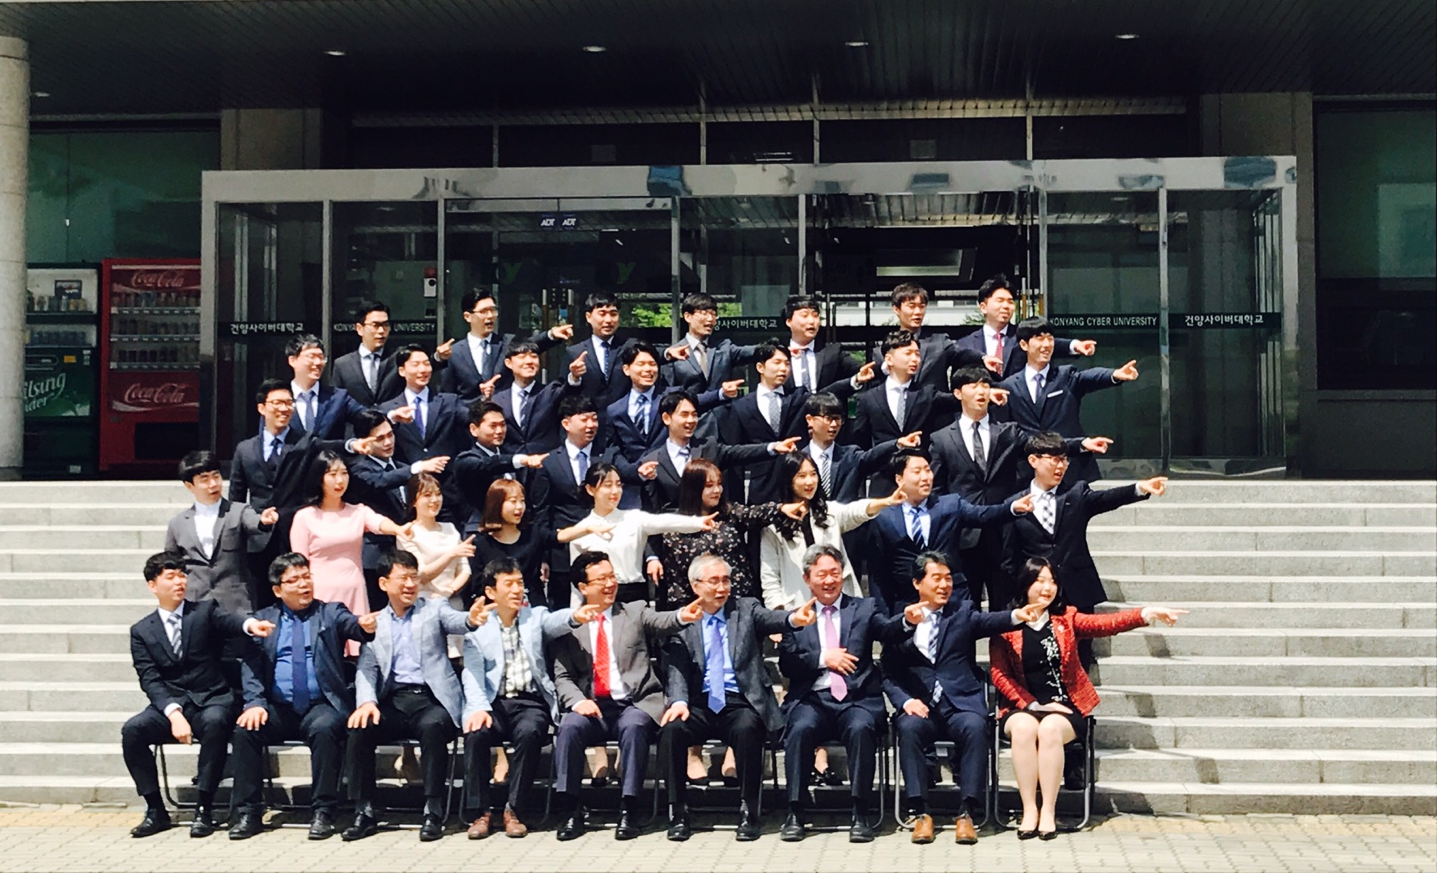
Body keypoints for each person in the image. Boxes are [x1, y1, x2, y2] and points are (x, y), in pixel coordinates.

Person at [991, 558, 1185, 839]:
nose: (1047, 588)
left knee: (1049, 729)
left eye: (1052, 581)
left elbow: (1106, 624)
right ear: (1025, 585)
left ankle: (1048, 811)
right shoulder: (1006, 623)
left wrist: (1146, 613)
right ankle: (1029, 809)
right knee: (1024, 728)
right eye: (1040, 581)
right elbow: (999, 675)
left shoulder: (1066, 619)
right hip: (1022, 706)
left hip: (1065, 708)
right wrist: (1032, 704)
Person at [882, 551, 1040, 845]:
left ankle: (967, 813)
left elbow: (990, 621)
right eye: (936, 578)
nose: (944, 585)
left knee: (976, 727)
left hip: (960, 703)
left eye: (948, 579)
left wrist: (1018, 615)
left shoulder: (962, 611)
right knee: (908, 727)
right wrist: (905, 701)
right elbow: (888, 673)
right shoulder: (901, 620)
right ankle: (920, 813)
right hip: (921, 706)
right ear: (917, 583)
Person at [658, 554, 818, 842]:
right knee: (672, 730)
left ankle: (749, 810)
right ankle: (678, 811)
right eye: (714, 581)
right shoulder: (684, 619)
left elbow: (772, 618)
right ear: (696, 586)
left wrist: (794, 619)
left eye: (726, 580)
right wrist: (679, 701)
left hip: (740, 699)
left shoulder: (745, 608)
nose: (722, 587)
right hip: (699, 703)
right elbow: (677, 667)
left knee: (746, 728)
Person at [549, 552, 702, 841]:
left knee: (634, 727)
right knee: (569, 727)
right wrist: (578, 701)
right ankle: (570, 809)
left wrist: (683, 615)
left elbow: (663, 620)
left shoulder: (634, 611)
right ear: (583, 587)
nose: (610, 584)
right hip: (593, 705)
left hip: (634, 702)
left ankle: (629, 809)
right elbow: (563, 676)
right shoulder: (570, 625)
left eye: (612, 576)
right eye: (601, 579)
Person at [121, 552, 274, 839]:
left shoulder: (203, 611)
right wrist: (173, 713)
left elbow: (229, 621)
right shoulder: (141, 631)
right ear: (152, 585)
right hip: (172, 704)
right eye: (171, 577)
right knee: (133, 731)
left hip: (211, 698)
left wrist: (249, 625)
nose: (179, 582)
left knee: (216, 722)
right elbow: (150, 679)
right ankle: (155, 809)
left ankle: (204, 807)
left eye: (182, 575)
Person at [929, 368, 1111, 606]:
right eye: (973, 386)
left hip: (1004, 531)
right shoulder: (941, 438)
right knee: (964, 608)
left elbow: (1041, 446)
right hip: (963, 535)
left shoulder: (1008, 431)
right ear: (957, 393)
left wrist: (1081, 444)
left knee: (1005, 607)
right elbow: (936, 490)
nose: (981, 391)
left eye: (985, 385)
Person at [343, 549, 488, 842]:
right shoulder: (375, 622)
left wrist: (471, 620)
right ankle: (365, 810)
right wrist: (367, 702)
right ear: (384, 583)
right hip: (393, 700)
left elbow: (457, 621)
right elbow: (366, 668)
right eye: (403, 578)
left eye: (414, 577)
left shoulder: (433, 609)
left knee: (433, 727)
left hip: (432, 699)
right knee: (360, 728)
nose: (410, 584)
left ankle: (433, 809)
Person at [228, 553, 375, 841]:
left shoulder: (330, 612)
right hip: (278, 707)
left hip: (321, 704)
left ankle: (323, 812)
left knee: (325, 728)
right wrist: (255, 703)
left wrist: (364, 626)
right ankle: (249, 812)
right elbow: (251, 666)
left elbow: (352, 625)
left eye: (307, 577)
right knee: (245, 730)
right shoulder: (264, 620)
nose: (303, 584)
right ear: (277, 590)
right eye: (294, 580)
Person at [776, 545, 912, 844]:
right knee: (799, 729)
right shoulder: (796, 617)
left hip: (856, 699)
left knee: (861, 728)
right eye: (821, 574)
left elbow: (888, 631)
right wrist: (823, 658)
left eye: (835, 573)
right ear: (807, 578)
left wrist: (907, 621)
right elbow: (787, 664)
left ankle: (860, 813)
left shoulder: (864, 608)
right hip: (812, 698)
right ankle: (795, 812)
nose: (829, 580)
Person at [459, 557, 600, 839]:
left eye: (520, 583)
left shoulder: (534, 617)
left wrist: (575, 616)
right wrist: (477, 708)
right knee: (476, 734)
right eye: (508, 584)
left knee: (531, 731)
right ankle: (480, 812)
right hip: (492, 703)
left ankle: (514, 810)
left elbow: (555, 621)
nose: (516, 590)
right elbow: (471, 673)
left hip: (529, 702)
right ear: (490, 592)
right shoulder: (478, 629)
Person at [1002, 431, 1169, 663]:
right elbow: (1009, 558)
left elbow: (1106, 498)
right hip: (1038, 593)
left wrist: (1139, 488)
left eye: (1064, 460)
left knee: (1080, 655)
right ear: (1033, 460)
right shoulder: (1015, 503)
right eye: (1054, 460)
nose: (1061, 466)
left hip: (1077, 588)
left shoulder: (1076, 492)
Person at [866, 448, 1032, 616]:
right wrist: (883, 618)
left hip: (952, 601)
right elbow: (878, 572)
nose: (925, 477)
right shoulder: (883, 517)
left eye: (928, 470)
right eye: (917, 472)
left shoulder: (949, 505)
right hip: (908, 603)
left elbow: (981, 515)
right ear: (899, 479)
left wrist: (1011, 508)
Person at [289, 450, 412, 651]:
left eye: (344, 473)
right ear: (319, 478)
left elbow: (378, 522)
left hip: (354, 591)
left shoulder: (357, 511)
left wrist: (398, 529)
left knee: (358, 651)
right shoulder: (305, 517)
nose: (340, 480)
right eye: (332, 474)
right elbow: (299, 563)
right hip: (321, 594)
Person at [720, 340, 870, 504]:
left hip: (798, 490)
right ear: (760, 367)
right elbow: (736, 456)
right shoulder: (741, 406)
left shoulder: (798, 397)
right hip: (761, 492)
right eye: (777, 363)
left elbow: (824, 395)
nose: (783, 368)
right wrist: (735, 504)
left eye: (787, 364)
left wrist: (854, 381)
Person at [996, 317, 1139, 485]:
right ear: (1024, 345)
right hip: (1028, 474)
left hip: (1070, 469)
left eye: (1050, 338)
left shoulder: (1065, 376)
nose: (1046, 344)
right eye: (1039, 338)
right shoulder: (1009, 387)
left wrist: (1114, 375)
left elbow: (1088, 377)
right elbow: (1009, 433)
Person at [758, 452, 905, 611]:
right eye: (802, 476)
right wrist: (779, 617)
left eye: (813, 474)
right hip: (799, 607)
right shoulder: (773, 526)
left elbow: (854, 511)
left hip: (839, 603)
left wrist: (886, 502)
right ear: (788, 480)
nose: (809, 481)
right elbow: (770, 577)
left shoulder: (828, 511)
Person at [598, 341, 734, 508]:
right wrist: (634, 472)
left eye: (652, 364)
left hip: (667, 490)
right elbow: (613, 451)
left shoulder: (671, 396)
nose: (648, 369)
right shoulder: (615, 410)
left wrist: (721, 393)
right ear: (627, 369)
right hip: (632, 494)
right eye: (641, 364)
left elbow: (696, 401)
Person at [652, 458, 803, 608]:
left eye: (719, 484)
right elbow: (677, 582)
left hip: (739, 601)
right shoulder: (676, 527)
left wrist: (780, 509)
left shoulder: (729, 513)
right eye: (709, 486)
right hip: (700, 608)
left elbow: (754, 513)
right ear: (693, 489)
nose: (717, 490)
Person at [568, 462, 715, 604]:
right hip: (600, 597)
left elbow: (665, 521)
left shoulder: (633, 518)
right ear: (590, 489)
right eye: (607, 485)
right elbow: (577, 583)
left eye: (618, 485)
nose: (615, 491)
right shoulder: (580, 531)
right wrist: (575, 614)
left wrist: (698, 523)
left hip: (635, 595)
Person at [345, 408, 449, 608]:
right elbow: (380, 481)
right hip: (376, 557)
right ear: (364, 442)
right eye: (380, 438)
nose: (388, 442)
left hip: (407, 552)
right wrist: (417, 468)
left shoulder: (401, 466)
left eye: (390, 435)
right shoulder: (358, 468)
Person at [642, 388, 799, 512]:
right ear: (666, 418)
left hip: (714, 529)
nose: (691, 420)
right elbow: (653, 511)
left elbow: (739, 453)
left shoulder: (708, 447)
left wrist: (773, 447)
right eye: (684, 415)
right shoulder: (652, 461)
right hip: (675, 535)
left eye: (694, 415)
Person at [469, 478, 613, 610]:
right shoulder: (481, 544)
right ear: (496, 504)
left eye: (522, 501)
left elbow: (560, 536)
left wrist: (587, 529)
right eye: (513, 501)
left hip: (534, 606)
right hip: (498, 610)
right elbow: (478, 588)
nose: (519, 507)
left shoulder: (533, 533)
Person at [165, 450, 277, 616]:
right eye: (204, 479)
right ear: (189, 486)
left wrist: (263, 521)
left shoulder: (238, 511)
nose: (213, 484)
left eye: (216, 476)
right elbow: (171, 563)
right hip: (195, 606)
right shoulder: (178, 523)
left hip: (235, 604)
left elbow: (253, 521)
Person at [849, 330, 962, 489]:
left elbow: (959, 402)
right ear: (889, 359)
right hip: (882, 483)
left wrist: (985, 393)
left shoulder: (927, 394)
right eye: (908, 353)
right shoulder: (868, 399)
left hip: (919, 482)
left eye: (917, 354)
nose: (915, 359)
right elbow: (859, 448)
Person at [531, 395, 613, 601]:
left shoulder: (606, 457)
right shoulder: (549, 463)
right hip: (563, 554)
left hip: (603, 548)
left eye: (594, 419)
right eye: (584, 419)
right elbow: (542, 512)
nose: (591, 425)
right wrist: (543, 557)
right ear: (566, 424)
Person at [953, 275, 1093, 379]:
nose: (1006, 306)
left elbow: (1047, 344)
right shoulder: (965, 344)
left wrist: (1075, 345)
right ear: (983, 307)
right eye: (1000, 301)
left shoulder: (1022, 335)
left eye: (1010, 301)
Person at [441, 288, 572, 400]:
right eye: (484, 311)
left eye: (493, 310)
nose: (490, 316)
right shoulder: (454, 353)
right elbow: (448, 398)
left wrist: (551, 335)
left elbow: (531, 344)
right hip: (468, 419)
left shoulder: (506, 342)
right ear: (467, 316)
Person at [451, 399, 549, 534]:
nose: (499, 431)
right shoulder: (466, 460)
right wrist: (521, 460)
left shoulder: (510, 457)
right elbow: (488, 465)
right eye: (493, 426)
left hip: (514, 532)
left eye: (502, 425)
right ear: (474, 429)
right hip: (481, 531)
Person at [378, 344, 478, 473]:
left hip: (446, 479)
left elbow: (475, 420)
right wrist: (392, 417)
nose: (423, 370)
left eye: (426, 364)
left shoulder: (449, 401)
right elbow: (371, 423)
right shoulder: (389, 409)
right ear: (402, 371)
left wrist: (485, 400)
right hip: (407, 479)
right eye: (416, 365)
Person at [878, 282, 991, 391]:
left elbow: (962, 353)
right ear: (896, 309)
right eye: (911, 306)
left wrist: (983, 358)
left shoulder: (940, 342)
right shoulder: (882, 351)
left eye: (922, 306)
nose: (918, 312)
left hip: (935, 404)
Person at [489, 339, 586, 455]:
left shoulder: (550, 392)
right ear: (508, 363)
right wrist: (485, 399)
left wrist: (574, 377)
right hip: (512, 462)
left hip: (546, 461)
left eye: (534, 357)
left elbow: (568, 392)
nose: (529, 361)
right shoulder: (497, 399)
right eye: (522, 357)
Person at [661, 292, 761, 396]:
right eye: (704, 313)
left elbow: (753, 351)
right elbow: (669, 393)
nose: (710, 319)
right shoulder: (673, 354)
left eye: (713, 314)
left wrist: (771, 348)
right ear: (688, 317)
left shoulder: (724, 348)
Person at [397, 471, 472, 606]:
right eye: (427, 495)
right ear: (414, 501)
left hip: (452, 601)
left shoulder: (450, 528)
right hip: (423, 602)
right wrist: (451, 554)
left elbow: (464, 569)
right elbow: (421, 575)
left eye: (438, 494)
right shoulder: (407, 533)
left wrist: (449, 591)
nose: (434, 500)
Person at [329, 301, 420, 407]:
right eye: (375, 325)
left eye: (385, 325)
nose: (381, 330)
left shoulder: (399, 357)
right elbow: (337, 402)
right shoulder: (343, 365)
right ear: (359, 329)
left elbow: (424, 367)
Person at [285, 333, 371, 438]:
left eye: (321, 357)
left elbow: (368, 417)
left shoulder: (338, 397)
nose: (318, 362)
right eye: (311, 357)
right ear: (292, 360)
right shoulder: (277, 398)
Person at [781, 295, 862, 393]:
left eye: (815, 316)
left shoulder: (833, 352)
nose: (811, 321)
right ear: (789, 321)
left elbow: (861, 371)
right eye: (804, 315)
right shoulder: (778, 353)